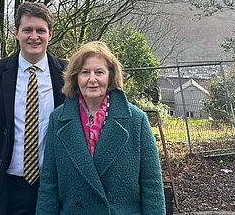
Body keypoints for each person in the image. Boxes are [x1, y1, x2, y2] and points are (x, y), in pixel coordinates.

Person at [36, 41, 166, 215]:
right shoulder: (58, 120)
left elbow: (152, 185)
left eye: (99, 72)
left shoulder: (136, 120)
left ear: (110, 77)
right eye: (85, 72)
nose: (92, 79)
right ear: (75, 77)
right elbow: (49, 185)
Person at [0, 2, 67, 215]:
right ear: (16, 32)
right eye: (27, 29)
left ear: (51, 34)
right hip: (5, 186)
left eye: (40, 30)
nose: (34, 36)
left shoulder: (67, 74)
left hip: (54, 186)